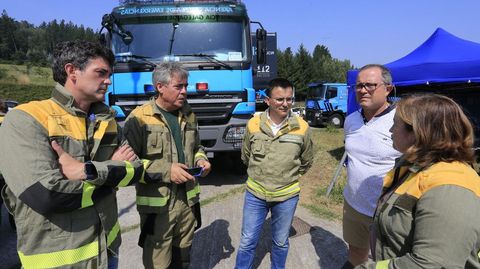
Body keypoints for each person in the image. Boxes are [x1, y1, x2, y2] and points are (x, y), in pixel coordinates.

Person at [0, 40, 151, 268]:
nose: (108, 81)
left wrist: (83, 171)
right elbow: (46, 196)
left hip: (107, 251)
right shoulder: (26, 119)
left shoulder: (107, 120)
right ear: (72, 71)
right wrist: (108, 176)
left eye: (109, 74)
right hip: (58, 261)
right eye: (100, 73)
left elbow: (136, 169)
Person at [356, 94, 480, 268]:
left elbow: (432, 264)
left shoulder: (452, 185)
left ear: (417, 132)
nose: (390, 130)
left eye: (395, 124)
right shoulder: (416, 167)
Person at [122, 62, 211, 269]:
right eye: (179, 86)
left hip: (187, 201)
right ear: (160, 87)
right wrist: (166, 170)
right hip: (158, 206)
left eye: (186, 86)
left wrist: (201, 159)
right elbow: (127, 165)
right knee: (159, 263)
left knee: (183, 257)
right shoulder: (138, 119)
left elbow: (197, 146)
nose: (185, 91)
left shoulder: (189, 114)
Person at [234, 78, 314, 269]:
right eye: (279, 99)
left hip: (287, 196)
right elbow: (246, 155)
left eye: (289, 99)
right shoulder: (253, 124)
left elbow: (307, 160)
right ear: (267, 100)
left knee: (280, 242)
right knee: (247, 242)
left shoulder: (302, 127)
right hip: (256, 194)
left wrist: (288, 176)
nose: (285, 104)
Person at [342, 64, 401, 268]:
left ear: (388, 89)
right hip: (353, 203)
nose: (363, 90)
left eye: (370, 85)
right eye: (358, 86)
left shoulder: (402, 121)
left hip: (388, 211)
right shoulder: (350, 120)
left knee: (385, 259)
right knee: (356, 251)